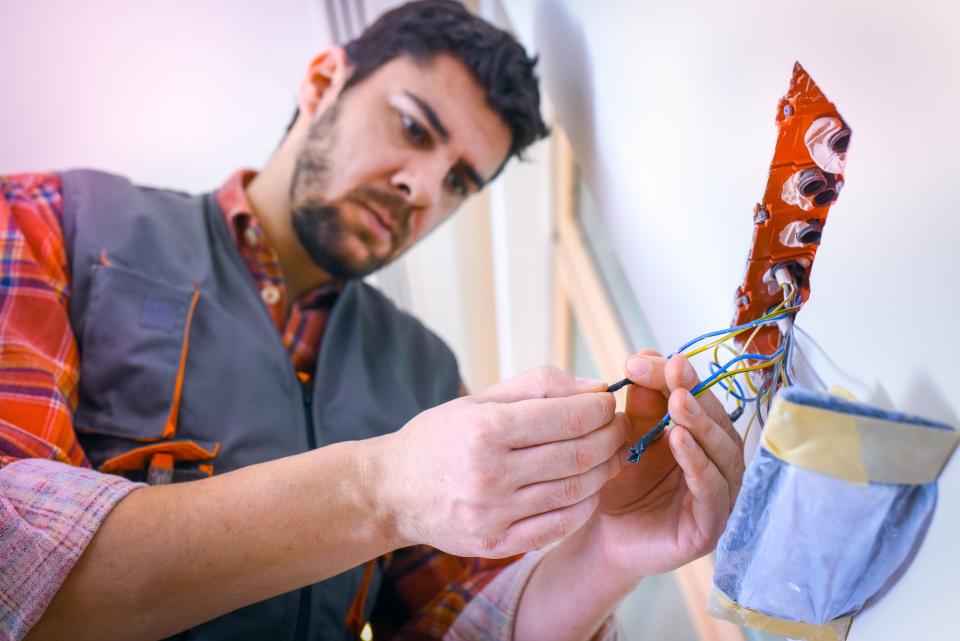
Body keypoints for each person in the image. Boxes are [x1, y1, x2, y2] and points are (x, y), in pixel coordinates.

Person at [0, 1, 744, 640]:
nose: (422, 188)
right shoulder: (53, 221)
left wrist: (608, 551)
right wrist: (383, 487)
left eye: (458, 181)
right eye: (414, 129)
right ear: (324, 82)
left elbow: (458, 624)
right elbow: (14, 565)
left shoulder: (425, 371)